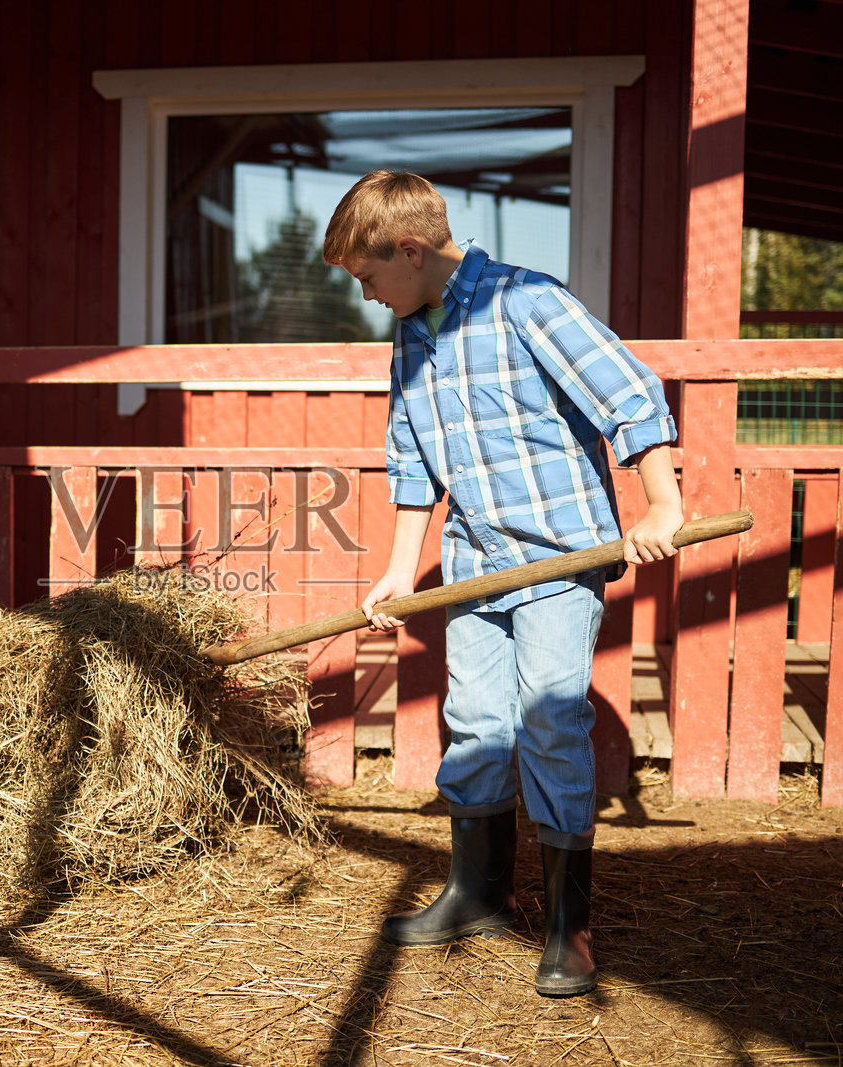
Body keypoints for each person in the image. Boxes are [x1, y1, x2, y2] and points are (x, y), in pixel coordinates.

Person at [322, 170, 684, 997]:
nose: (369, 295)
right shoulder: (414, 333)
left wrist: (662, 501)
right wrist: (397, 567)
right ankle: (477, 893)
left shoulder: (530, 304)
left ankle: (569, 926)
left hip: (558, 559)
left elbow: (628, 394)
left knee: (550, 722)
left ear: (410, 250)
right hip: (473, 566)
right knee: (475, 721)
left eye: (370, 277)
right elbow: (412, 460)